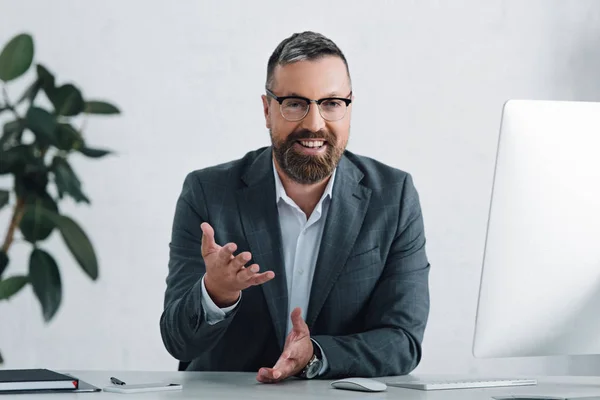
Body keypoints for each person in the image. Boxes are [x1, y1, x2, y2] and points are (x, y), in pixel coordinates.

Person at [160, 31, 431, 383]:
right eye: (295, 103)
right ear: (267, 109)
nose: (314, 123)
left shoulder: (394, 197)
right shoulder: (208, 193)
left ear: (349, 107)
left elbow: (403, 341)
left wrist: (316, 354)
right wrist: (217, 292)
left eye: (331, 103)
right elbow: (178, 342)